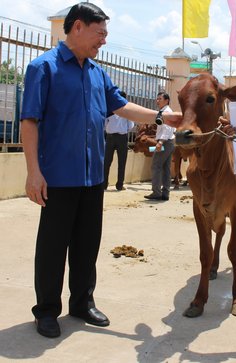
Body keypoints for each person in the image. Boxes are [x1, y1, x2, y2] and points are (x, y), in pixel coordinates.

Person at [20, 2, 181, 338]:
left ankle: (82, 302)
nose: (104, 41)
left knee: (86, 244)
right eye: (100, 33)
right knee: (53, 246)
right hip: (57, 177)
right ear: (77, 27)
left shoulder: (97, 72)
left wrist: (163, 117)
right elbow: (29, 121)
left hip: (93, 176)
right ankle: (47, 310)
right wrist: (33, 171)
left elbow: (121, 106)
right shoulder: (43, 68)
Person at [144, 92, 175, 201]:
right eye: (157, 99)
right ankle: (165, 193)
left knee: (156, 166)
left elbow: (167, 129)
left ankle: (156, 192)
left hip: (165, 142)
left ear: (166, 100)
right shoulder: (165, 111)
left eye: (160, 99)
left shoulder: (165, 112)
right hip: (169, 142)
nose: (157, 101)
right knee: (165, 168)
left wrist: (160, 142)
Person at [104, 91, 135, 191]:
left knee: (107, 162)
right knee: (122, 162)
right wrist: (123, 130)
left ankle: (104, 184)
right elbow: (131, 126)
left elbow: (104, 124)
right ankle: (119, 185)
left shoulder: (110, 109)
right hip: (122, 138)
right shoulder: (127, 111)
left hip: (110, 137)